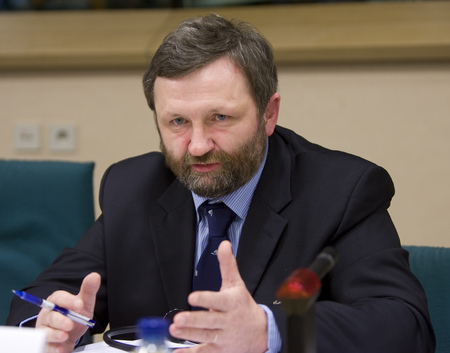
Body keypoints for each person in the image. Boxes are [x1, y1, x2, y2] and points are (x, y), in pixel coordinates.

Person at [7, 14, 435, 353]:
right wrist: (54, 324)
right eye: (177, 122)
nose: (196, 146)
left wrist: (269, 332)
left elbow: (404, 327)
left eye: (220, 118)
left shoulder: (342, 191)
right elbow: (41, 298)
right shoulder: (133, 186)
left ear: (269, 114)